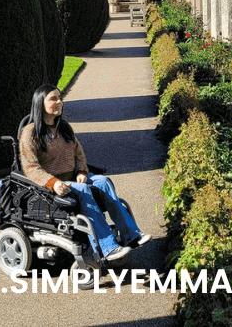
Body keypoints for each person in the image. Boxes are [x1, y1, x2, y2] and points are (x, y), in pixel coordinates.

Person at [18, 84, 150, 263]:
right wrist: (53, 182)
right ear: (41, 104)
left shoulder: (64, 127)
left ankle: (132, 236)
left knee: (103, 181)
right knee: (84, 190)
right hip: (53, 185)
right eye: (53, 99)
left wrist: (81, 170)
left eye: (60, 98)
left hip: (73, 177)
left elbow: (79, 153)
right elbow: (30, 167)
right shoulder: (30, 132)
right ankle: (108, 248)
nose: (59, 102)